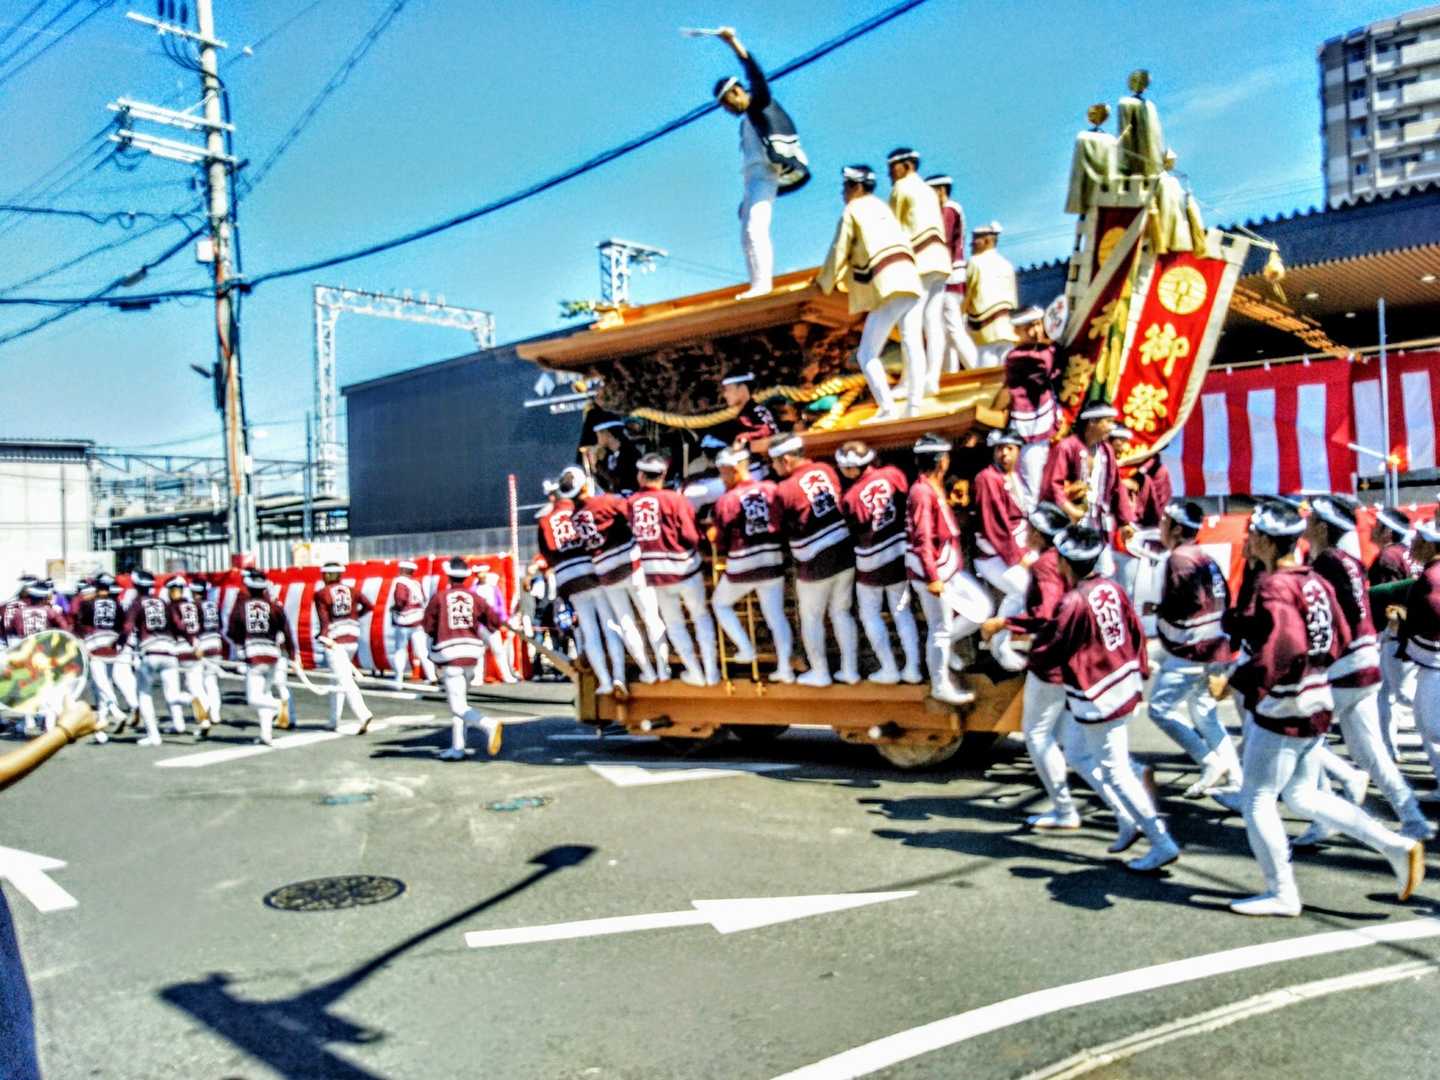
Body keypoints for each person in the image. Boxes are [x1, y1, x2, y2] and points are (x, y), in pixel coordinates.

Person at [1225, 500, 1423, 917]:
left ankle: (1282, 892)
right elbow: (1341, 632)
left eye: (1254, 534)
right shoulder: (1311, 580)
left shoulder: (1279, 585)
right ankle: (1395, 845)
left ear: (1266, 541)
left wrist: (1238, 680)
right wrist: (1315, 669)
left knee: (1257, 798)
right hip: (1317, 693)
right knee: (1301, 794)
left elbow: (1283, 647)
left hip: (1287, 701)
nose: (1249, 540)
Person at [1028, 526, 1180, 871]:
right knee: (1078, 753)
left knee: (1116, 772)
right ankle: (1127, 820)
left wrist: (1029, 656)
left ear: (1064, 562)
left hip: (1099, 696)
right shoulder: (1111, 588)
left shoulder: (1073, 602)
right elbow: (1136, 630)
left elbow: (1051, 649)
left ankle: (1161, 842)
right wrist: (1141, 668)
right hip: (1122, 685)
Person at [1296, 495, 1433, 843]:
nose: (1305, 523)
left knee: (1301, 737)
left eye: (1311, 519)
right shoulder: (1350, 561)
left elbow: (1326, 620)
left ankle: (1327, 812)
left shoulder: (1325, 563)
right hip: (1365, 658)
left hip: (1344, 665)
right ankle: (1413, 818)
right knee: (1369, 752)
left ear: (1322, 528)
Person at [982, 503, 1089, 829]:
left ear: (1040, 535)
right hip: (1072, 655)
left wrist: (1003, 623)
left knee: (1038, 735)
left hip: (1051, 660)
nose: (1024, 533)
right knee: (1071, 741)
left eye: (1029, 529)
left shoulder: (1045, 564)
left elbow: (1046, 613)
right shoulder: (1060, 559)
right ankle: (1131, 788)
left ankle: (1064, 809)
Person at [1148, 500, 1242, 797]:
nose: (1161, 527)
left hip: (1192, 648)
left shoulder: (1179, 559)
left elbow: (1188, 602)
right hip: (1215, 644)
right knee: (1204, 713)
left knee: (1159, 709)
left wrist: (1160, 610)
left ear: (1176, 529)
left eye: (1165, 522)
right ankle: (1235, 777)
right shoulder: (1204, 556)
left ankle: (1209, 760)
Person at [815, 165, 923, 423]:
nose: (843, 192)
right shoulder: (882, 207)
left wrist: (823, 283)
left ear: (857, 187)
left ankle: (886, 408)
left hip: (887, 285)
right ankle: (915, 405)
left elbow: (839, 250)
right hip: (910, 279)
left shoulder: (854, 209)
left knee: (866, 354)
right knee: (912, 342)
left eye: (846, 186)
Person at [711, 26, 810, 299]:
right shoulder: (747, 121)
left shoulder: (760, 103)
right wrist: (746, 199)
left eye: (728, 102)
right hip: (753, 179)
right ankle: (756, 281)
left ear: (737, 92)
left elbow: (755, 74)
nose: (728, 109)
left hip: (765, 174)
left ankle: (762, 284)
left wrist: (733, 42)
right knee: (746, 232)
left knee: (756, 228)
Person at [771, 433, 860, 687]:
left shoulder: (785, 489)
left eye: (774, 462)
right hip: (844, 551)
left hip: (814, 560)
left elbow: (774, 527)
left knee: (811, 617)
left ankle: (820, 672)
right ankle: (850, 670)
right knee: (841, 613)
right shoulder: (826, 469)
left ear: (786, 460)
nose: (773, 468)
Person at [628, 453, 718, 686]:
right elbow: (691, 535)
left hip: (656, 575)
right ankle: (711, 671)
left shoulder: (631, 504)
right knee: (700, 616)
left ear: (640, 476)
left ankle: (694, 672)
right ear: (664, 475)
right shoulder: (675, 500)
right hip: (686, 569)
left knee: (674, 624)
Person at [571, 467, 667, 684]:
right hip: (631, 563)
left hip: (606, 572)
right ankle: (663, 669)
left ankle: (648, 671)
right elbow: (632, 514)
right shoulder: (607, 501)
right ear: (585, 486)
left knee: (626, 623)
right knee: (651, 617)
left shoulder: (574, 518)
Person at [906, 434, 982, 705]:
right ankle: (940, 684)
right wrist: (933, 577)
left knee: (980, 610)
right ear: (941, 461)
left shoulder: (933, 487)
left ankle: (945, 649)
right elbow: (923, 537)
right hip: (934, 572)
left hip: (947, 568)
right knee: (940, 627)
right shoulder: (921, 492)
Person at [837, 440, 921, 684]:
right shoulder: (894, 474)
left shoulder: (850, 498)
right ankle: (913, 668)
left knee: (869, 614)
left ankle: (889, 667)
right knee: (902, 613)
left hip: (870, 562)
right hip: (899, 554)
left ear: (852, 468)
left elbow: (852, 532)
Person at [710, 446, 795, 681]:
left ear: (735, 470)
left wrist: (714, 538)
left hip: (743, 565)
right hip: (772, 561)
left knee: (720, 604)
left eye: (724, 473)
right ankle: (785, 668)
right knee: (776, 616)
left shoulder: (727, 500)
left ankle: (746, 649)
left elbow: (721, 540)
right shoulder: (771, 489)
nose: (722, 479)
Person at [536, 473, 621, 695]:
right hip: (592, 573)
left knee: (588, 630)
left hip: (569, 579)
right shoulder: (580, 512)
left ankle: (604, 681)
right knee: (609, 625)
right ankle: (619, 676)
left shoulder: (545, 521)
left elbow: (547, 555)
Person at [422, 557, 505, 761]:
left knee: (457, 706)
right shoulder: (475, 597)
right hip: (471, 655)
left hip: (450, 656)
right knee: (462, 703)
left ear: (449, 576)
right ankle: (457, 747)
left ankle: (488, 725)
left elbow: (428, 626)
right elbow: (494, 621)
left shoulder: (439, 598)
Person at [1042, 401, 1135, 576]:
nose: (1111, 427)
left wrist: (1125, 522)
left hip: (1097, 522)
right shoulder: (1066, 447)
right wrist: (1070, 509)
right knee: (1070, 570)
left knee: (1104, 571)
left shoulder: (1106, 451)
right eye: (1107, 421)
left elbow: (1117, 487)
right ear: (1092, 422)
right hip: (1070, 522)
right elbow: (1052, 485)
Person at [887, 148, 952, 399]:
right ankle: (931, 378)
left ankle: (910, 382)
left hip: (918, 262)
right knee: (933, 321)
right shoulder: (928, 190)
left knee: (909, 324)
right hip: (939, 261)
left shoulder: (901, 188)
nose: (890, 173)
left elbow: (892, 229)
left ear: (907, 165)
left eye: (893, 167)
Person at [1394, 517, 1440, 789]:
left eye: (1418, 541)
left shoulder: (1432, 578)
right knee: (1424, 724)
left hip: (1435, 662)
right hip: (1429, 662)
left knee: (1433, 727)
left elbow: (1434, 615)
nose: (1412, 545)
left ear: (1430, 546)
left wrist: (1403, 619)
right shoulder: (1431, 574)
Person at [1369, 505, 1419, 757]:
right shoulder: (1409, 553)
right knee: (1384, 692)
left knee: (1405, 694)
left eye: (1377, 526)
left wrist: (1391, 633)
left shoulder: (1387, 557)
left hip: (1398, 632)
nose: (1371, 529)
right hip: (1416, 629)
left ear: (1387, 532)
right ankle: (1387, 749)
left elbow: (1389, 599)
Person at [999, 307, 1061, 508]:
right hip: (1027, 425)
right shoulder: (1018, 356)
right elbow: (1045, 369)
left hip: (1045, 420)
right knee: (1030, 483)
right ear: (1017, 331)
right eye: (1029, 327)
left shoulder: (1043, 350)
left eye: (1038, 324)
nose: (1036, 331)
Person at [123, 570, 192, 746]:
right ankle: (189, 698)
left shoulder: (137, 603)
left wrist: (119, 645)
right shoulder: (163, 603)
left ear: (136, 586)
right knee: (172, 694)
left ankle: (154, 736)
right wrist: (193, 643)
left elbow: (128, 626)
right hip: (170, 652)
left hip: (150, 652)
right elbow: (179, 625)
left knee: (144, 694)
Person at [227, 570, 295, 746]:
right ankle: (266, 735)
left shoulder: (242, 606)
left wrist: (240, 645)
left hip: (254, 656)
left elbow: (232, 630)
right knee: (265, 693)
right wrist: (293, 655)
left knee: (254, 698)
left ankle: (278, 705)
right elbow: (287, 630)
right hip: (273, 655)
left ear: (248, 587)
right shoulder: (274, 606)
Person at [972, 429, 1033, 619]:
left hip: (1021, 546)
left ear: (1018, 451)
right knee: (1024, 590)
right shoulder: (987, 478)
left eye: (1009, 448)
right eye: (999, 448)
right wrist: (1019, 557)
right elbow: (995, 525)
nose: (1004, 453)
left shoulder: (1017, 476)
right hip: (994, 554)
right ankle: (998, 632)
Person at [313, 562, 375, 732]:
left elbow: (324, 620)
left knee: (344, 679)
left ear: (327, 575)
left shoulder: (321, 593)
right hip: (352, 636)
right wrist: (355, 616)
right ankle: (334, 720)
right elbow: (369, 605)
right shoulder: (351, 590)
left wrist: (323, 636)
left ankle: (363, 713)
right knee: (336, 679)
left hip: (335, 640)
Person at [4, 579, 71, 737]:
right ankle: (49, 725)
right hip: (46, 654)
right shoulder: (50, 611)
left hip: (26, 655)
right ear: (43, 597)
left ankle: (29, 722)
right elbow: (65, 628)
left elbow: (11, 631)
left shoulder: (19, 613)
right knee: (48, 688)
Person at [926, 173, 977, 372]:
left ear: (940, 191)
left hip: (950, 276)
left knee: (952, 326)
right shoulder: (950, 209)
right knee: (946, 330)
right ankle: (951, 374)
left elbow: (942, 240)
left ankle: (976, 367)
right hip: (951, 276)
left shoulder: (948, 210)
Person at [74, 574, 136, 733]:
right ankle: (102, 717)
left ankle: (116, 711)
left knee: (100, 683)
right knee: (105, 681)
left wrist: (81, 644)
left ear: (96, 587)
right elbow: (124, 626)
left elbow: (79, 625)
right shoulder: (117, 604)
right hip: (112, 648)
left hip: (94, 647)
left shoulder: (87, 604)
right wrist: (119, 643)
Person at [963, 222, 1018, 368]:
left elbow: (966, 295)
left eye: (976, 240)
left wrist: (960, 315)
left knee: (986, 373)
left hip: (985, 332)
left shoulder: (975, 262)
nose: (972, 245)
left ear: (987, 241)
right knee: (1007, 373)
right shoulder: (1007, 265)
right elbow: (1013, 303)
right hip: (1006, 329)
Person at [164, 575, 209, 735]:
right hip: (196, 649)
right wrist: (197, 643)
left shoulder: (170, 607)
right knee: (196, 685)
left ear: (172, 591)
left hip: (177, 650)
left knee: (171, 689)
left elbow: (177, 626)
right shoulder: (193, 606)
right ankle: (204, 719)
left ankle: (178, 723)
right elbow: (202, 625)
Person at [389, 560, 436, 687]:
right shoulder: (416, 583)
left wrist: (394, 608)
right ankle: (431, 676)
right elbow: (424, 600)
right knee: (422, 650)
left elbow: (400, 600)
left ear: (402, 570)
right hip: (418, 620)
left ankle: (398, 679)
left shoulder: (400, 582)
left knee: (400, 650)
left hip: (403, 621)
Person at [715, 370, 777, 459]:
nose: (725, 395)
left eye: (728, 390)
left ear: (742, 389)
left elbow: (769, 438)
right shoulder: (748, 412)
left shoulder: (754, 413)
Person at [189, 580, 224, 733]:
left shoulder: (193, 606)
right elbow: (221, 624)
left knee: (195, 680)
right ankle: (215, 714)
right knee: (211, 681)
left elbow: (192, 628)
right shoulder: (213, 605)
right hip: (216, 642)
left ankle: (205, 707)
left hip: (202, 643)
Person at [590, 417, 640, 497]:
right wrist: (595, 467)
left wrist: (597, 465)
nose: (597, 439)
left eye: (599, 434)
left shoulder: (630, 453)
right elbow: (605, 485)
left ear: (608, 434)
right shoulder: (608, 454)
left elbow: (617, 481)